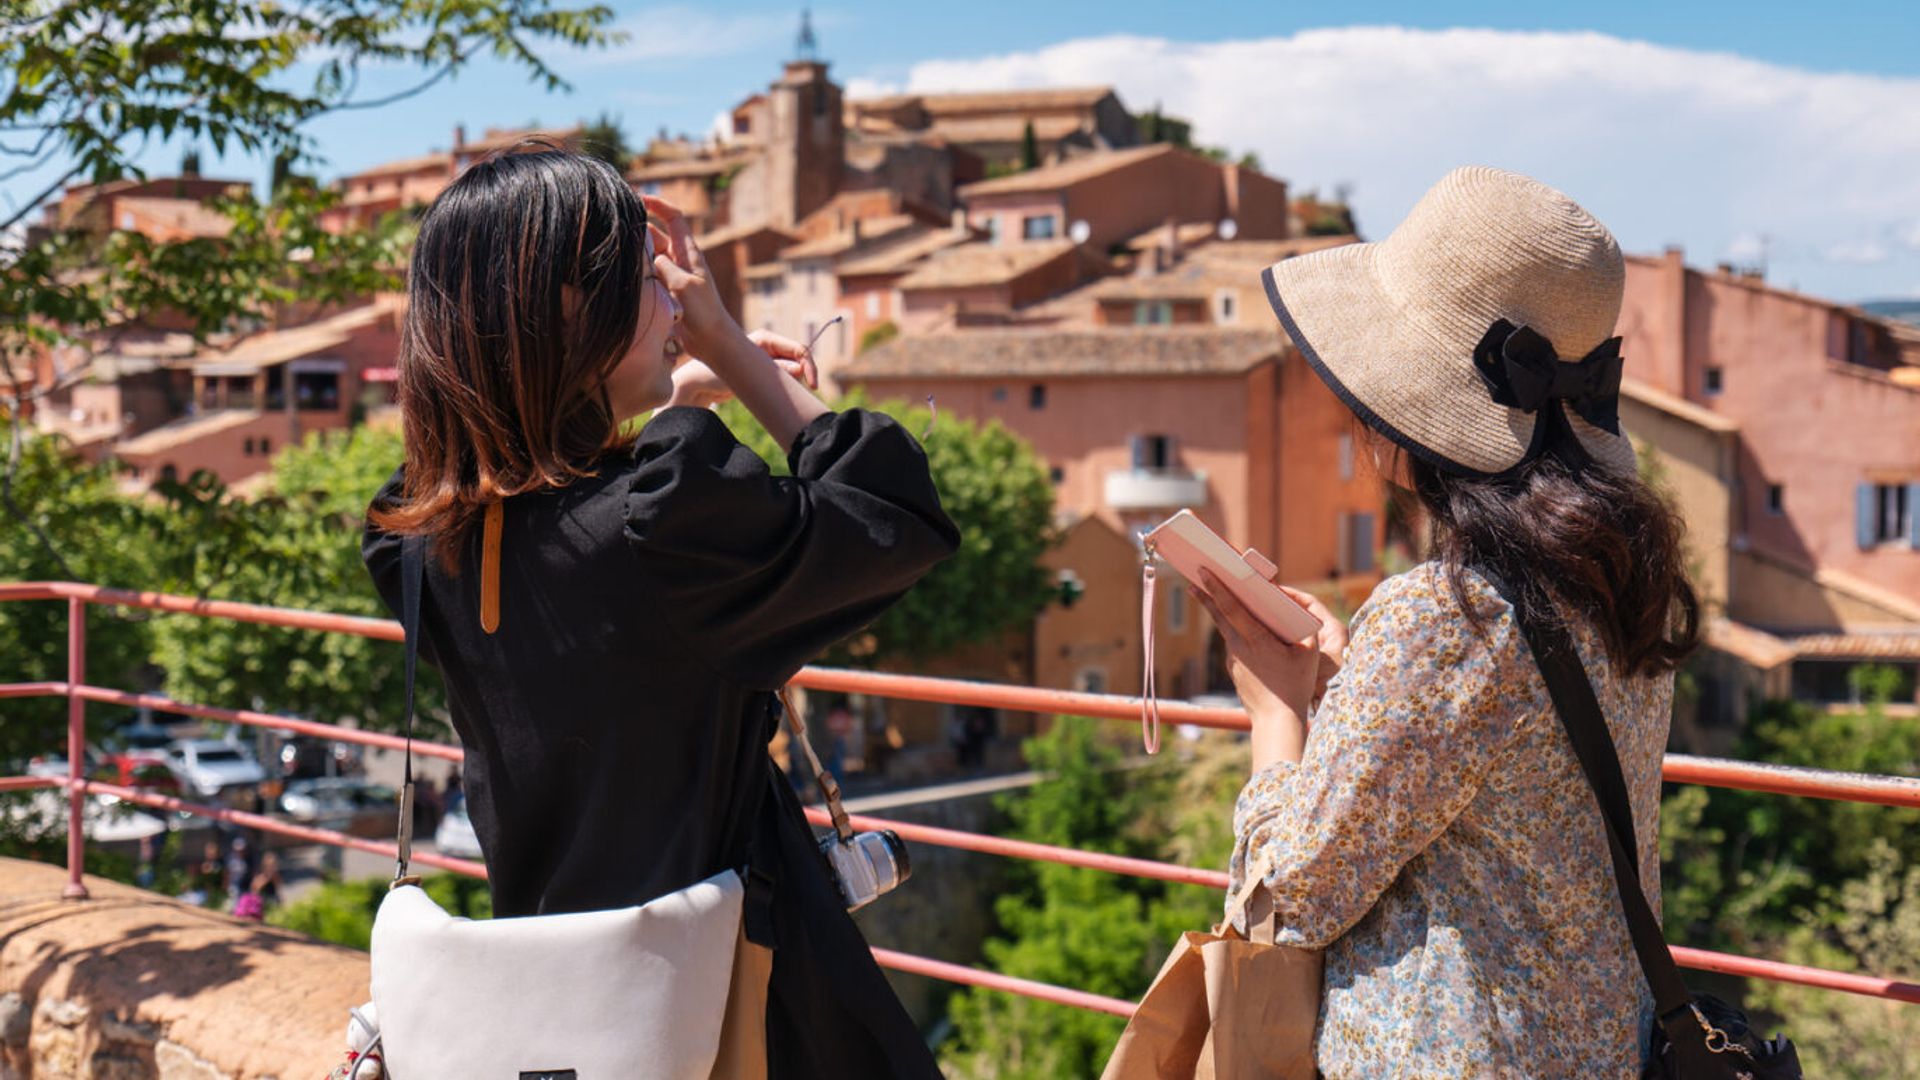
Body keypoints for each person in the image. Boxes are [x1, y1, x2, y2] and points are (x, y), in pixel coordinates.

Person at [361, 148, 958, 1079]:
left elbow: (549, 504)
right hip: (736, 1000)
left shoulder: (420, 541)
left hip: (559, 1013)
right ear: (569, 304)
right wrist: (727, 345)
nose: (677, 300)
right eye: (652, 280)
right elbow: (896, 515)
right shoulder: (667, 520)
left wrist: (646, 393)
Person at [1197, 167, 1699, 1078]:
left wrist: (1279, 713)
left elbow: (1289, 898)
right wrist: (1360, 685)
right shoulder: (1615, 579)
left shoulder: (1445, 615)